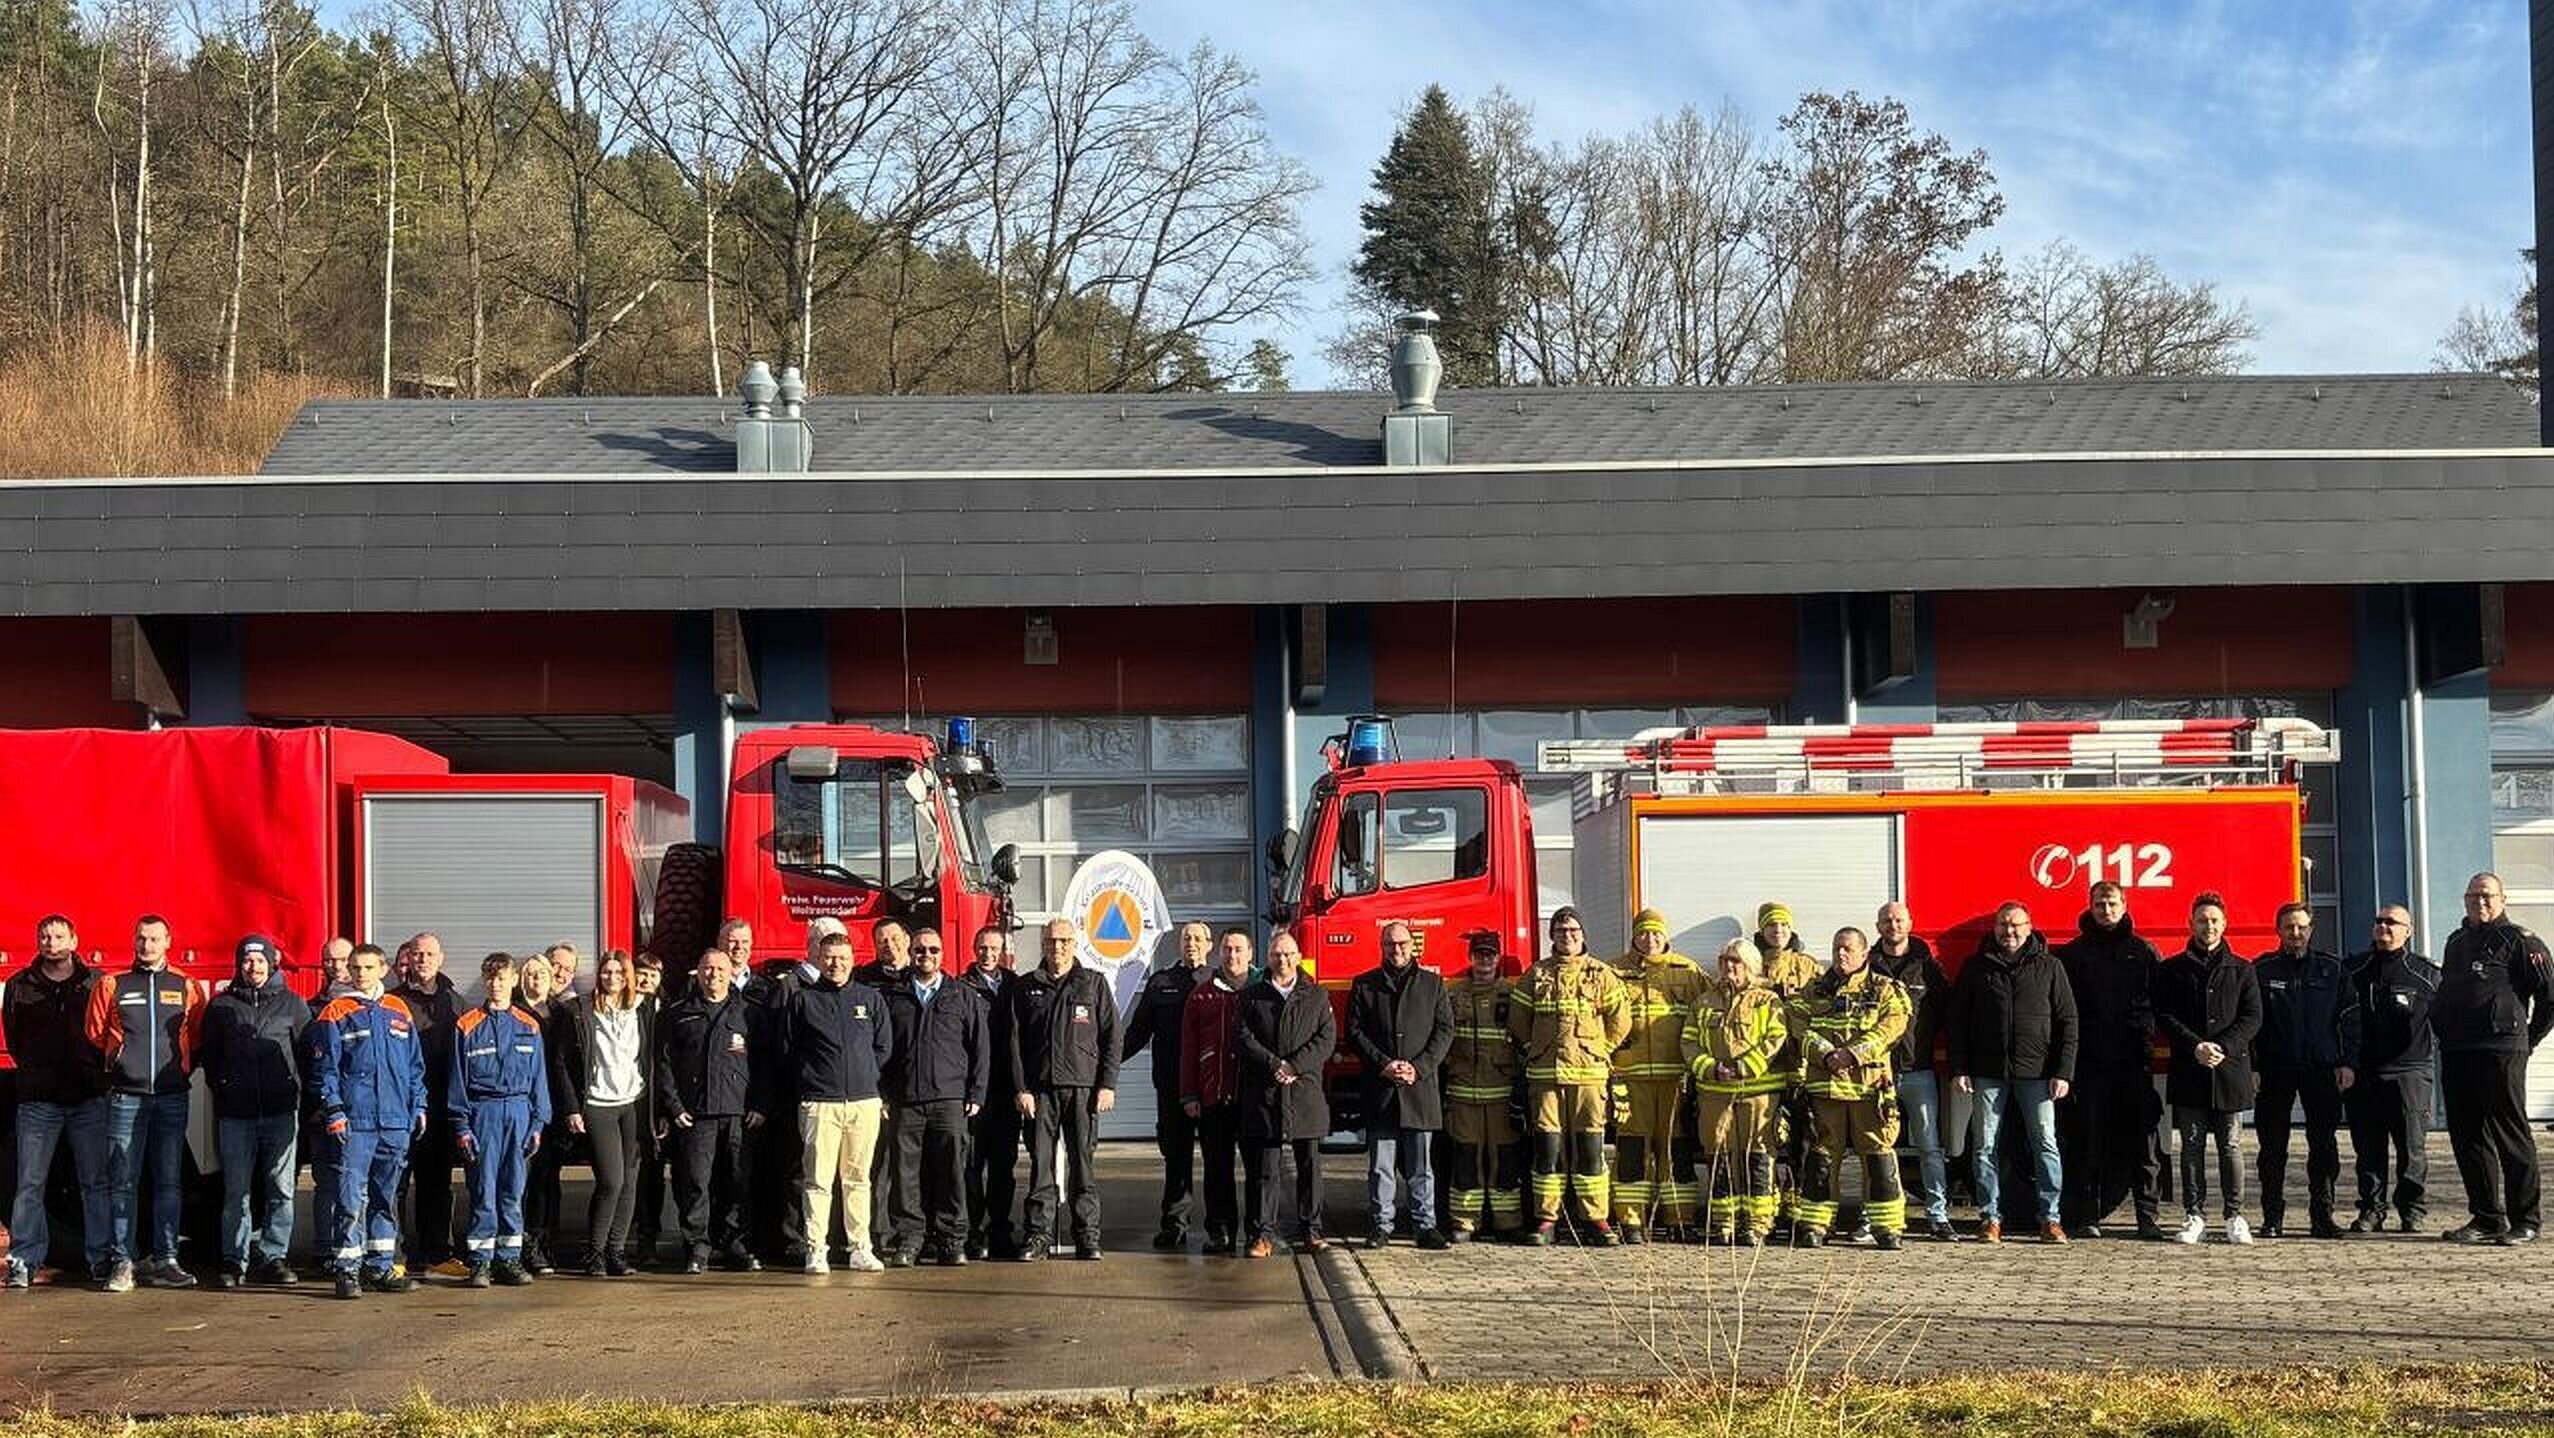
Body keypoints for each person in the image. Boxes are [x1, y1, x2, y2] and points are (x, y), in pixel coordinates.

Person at [84, 913, 206, 1290]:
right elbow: (95, 1033)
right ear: (133, 941)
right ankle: (123, 1262)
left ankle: (166, 1260)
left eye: (154, 939)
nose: (147, 946)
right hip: (125, 1099)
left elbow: (197, 1036)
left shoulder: (186, 987)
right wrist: (121, 1067)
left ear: (168, 942)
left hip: (171, 1098)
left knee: (169, 1181)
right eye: (141, 939)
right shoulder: (112, 984)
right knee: (122, 1182)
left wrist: (181, 1071)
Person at [2432, 872, 2554, 1245]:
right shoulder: (2456, 942)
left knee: (2510, 1136)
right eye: (2473, 896)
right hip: (2458, 1050)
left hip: (2501, 1050)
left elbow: (2549, 998)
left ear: (2502, 899)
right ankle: (2486, 1217)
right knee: (2468, 1137)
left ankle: (2526, 1220)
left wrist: (2526, 1040)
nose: (2479, 902)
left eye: (2486, 896)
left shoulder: (2519, 940)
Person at [1946, 901, 2077, 1245]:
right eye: (2003, 925)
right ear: (1994, 929)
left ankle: (2051, 1219)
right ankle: (1990, 1218)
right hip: (1987, 1073)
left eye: (2016, 925)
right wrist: (1960, 1067)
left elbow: (2068, 1022)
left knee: (2045, 1144)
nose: (2010, 932)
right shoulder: (1976, 967)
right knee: (1984, 1146)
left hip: (2038, 1074)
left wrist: (2062, 1071)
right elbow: (1957, 1021)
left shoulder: (2050, 967)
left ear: (2030, 927)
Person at [307, 942, 428, 1299]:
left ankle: (380, 1266)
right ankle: (347, 1269)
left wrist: (418, 1106)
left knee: (384, 1196)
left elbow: (414, 1067)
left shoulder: (398, 1010)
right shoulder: (336, 1012)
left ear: (384, 969)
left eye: (368, 968)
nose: (361, 974)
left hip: (395, 1121)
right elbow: (324, 1069)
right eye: (356, 968)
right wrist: (335, 1111)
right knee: (349, 1198)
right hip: (356, 1122)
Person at [772, 931, 895, 1274]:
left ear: (853, 959)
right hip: (819, 1103)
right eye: (829, 957)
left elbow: (883, 1047)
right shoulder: (803, 1000)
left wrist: (864, 1075)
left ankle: (860, 1248)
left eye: (842, 957)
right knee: (817, 1180)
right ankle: (816, 1248)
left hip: (863, 1102)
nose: (835, 964)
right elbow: (787, 1050)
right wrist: (812, 1080)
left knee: (858, 1179)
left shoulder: (869, 999)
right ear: (818, 959)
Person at [1507, 906, 1630, 1246]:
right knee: (1548, 1149)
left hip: (1590, 1077)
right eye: (1561, 931)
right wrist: (1536, 1047)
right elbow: (1518, 1020)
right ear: (1553, 936)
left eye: (1574, 930)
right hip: (1546, 1078)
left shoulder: (1601, 974)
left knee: (1591, 1149)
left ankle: (1596, 1219)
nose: (1568, 936)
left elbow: (1621, 1021)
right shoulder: (1536, 975)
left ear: (1583, 934)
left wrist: (1599, 1049)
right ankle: (1547, 1219)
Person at [195, 935, 312, 1288]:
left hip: (280, 1113)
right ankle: (234, 1260)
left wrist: (296, 1097)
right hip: (236, 1116)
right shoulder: (221, 1007)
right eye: (247, 961)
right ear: (239, 964)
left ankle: (274, 1256)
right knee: (236, 1191)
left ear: (272, 963)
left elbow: (306, 1057)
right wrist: (228, 1088)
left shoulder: (294, 1005)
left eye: (260, 961)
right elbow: (210, 1060)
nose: (253, 967)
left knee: (281, 1189)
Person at [2053, 880, 2167, 1241]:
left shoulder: (2143, 951)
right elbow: (2063, 1012)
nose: (2106, 910)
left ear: (2124, 905)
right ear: (2090, 906)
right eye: (2100, 904)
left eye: (2112, 903)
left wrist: (2144, 1033)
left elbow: (2161, 1003)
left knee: (2142, 1144)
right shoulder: (2073, 955)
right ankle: (2087, 1216)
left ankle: (2147, 1217)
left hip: (2134, 1062)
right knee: (2088, 1143)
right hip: (2091, 1065)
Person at [3, 915, 111, 1290]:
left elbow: (104, 1034)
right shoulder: (20, 985)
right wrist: (37, 1071)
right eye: (45, 936)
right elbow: (14, 1040)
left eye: (59, 936)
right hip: (38, 1101)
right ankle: (24, 1260)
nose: (51, 942)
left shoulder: (95, 983)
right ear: (38, 941)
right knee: (30, 1183)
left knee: (95, 1182)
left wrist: (93, 1074)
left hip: (88, 1099)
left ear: (74, 940)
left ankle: (100, 1259)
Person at [1788, 927, 1912, 1250]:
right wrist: (1825, 1053)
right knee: (1822, 1157)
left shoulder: (1884, 990)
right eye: (1836, 948)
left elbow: (1893, 1024)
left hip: (1869, 1091)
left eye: (1847, 949)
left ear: (1863, 954)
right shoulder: (1813, 990)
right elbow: (1797, 1025)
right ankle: (1815, 1225)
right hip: (1826, 1089)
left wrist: (1853, 1054)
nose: (1841, 955)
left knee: (1878, 1157)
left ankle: (1887, 1228)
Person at [1005, 918, 1120, 1261]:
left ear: (1075, 943)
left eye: (1065, 941)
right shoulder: (1026, 987)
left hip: (1083, 1091)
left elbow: (1112, 1037)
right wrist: (1021, 1088)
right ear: (1043, 944)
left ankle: (1087, 1236)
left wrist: (1107, 1084)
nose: (1058, 947)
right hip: (1039, 1093)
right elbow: (1014, 1043)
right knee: (1040, 1167)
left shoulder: (1093, 984)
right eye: (1052, 941)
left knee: (1083, 1166)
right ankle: (1038, 1236)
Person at [2154, 891, 2263, 1247]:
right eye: (2202, 920)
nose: (2208, 926)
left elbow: (2252, 1017)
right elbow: (2165, 1015)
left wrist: (2224, 1047)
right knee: (2191, 1146)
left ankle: (2234, 1216)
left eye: (2214, 920)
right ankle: (2194, 1215)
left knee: (2231, 1146)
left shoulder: (2243, 969)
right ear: (2191, 924)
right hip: (2190, 1069)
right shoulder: (2172, 969)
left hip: (2229, 1071)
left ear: (2225, 923)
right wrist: (2194, 1046)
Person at [880, 924, 989, 1266]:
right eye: (920, 950)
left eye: (933, 950)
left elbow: (980, 1048)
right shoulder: (893, 996)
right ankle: (910, 1239)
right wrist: (882, 1092)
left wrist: (977, 1091)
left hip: (950, 1100)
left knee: (952, 1173)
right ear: (910, 954)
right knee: (905, 1174)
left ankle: (951, 1240)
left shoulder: (962, 995)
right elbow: (881, 1050)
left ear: (943, 955)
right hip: (905, 1100)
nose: (926, 955)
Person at [2253, 903, 2359, 1239]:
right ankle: (2272, 1216)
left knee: (2324, 1145)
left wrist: (2348, 1062)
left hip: (2322, 1069)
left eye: (2301, 927)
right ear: (2278, 930)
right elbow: (2252, 1024)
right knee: (2272, 1148)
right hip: (2274, 1069)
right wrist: (2253, 1066)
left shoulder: (2332, 968)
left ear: (2311, 930)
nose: (2295, 934)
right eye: (2288, 927)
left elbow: (2351, 1019)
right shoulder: (2262, 970)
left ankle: (2322, 1215)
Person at [654, 947, 763, 1274]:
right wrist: (674, 1106)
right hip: (696, 1114)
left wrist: (760, 1104)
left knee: (737, 1183)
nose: (713, 974)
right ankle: (697, 1248)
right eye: (707, 968)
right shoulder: (678, 1013)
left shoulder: (751, 1013)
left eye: (719, 969)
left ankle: (734, 1244)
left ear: (731, 973)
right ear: (697, 973)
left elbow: (766, 1064)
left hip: (739, 1114)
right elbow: (664, 1064)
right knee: (696, 1184)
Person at [1348, 919, 1454, 1250]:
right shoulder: (1364, 985)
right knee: (1381, 1167)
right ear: (1381, 947)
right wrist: (1384, 1065)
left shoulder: (1433, 985)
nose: (1397, 950)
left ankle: (1426, 1226)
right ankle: (1381, 1226)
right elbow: (1354, 1032)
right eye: (1390, 945)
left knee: (1422, 1166)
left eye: (1403, 944)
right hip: (1381, 1091)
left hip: (1419, 1090)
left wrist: (1418, 1068)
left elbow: (1444, 1031)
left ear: (1413, 946)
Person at [1605, 909, 1706, 1244]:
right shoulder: (1614, 972)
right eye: (1643, 934)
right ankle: (1632, 1222)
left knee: (1675, 1148)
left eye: (1656, 934)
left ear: (1666, 936)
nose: (1650, 940)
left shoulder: (1687, 971)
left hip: (1674, 1076)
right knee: (1631, 1149)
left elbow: (1707, 1014)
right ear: (1633, 937)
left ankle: (1680, 1219)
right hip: (1630, 1076)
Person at [449, 953, 549, 1288]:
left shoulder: (529, 1025)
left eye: (503, 978)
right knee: (483, 1190)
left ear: (514, 980)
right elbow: (457, 1082)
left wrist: (538, 1123)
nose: (496, 984)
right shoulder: (466, 1025)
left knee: (512, 1192)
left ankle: (509, 1260)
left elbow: (539, 1080)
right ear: (484, 980)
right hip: (483, 1113)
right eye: (491, 978)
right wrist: (462, 1126)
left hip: (519, 1113)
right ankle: (480, 1263)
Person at [553, 949, 654, 1276]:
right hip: (597, 1106)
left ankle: (616, 1253)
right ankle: (594, 1254)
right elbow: (562, 1063)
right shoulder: (580, 1010)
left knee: (630, 1183)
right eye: (606, 972)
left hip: (632, 1104)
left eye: (618, 973)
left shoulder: (643, 1008)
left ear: (628, 976)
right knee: (611, 1181)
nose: (612, 978)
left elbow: (654, 1057)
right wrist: (571, 1108)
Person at [1683, 939, 1788, 1246]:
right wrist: (1711, 1068)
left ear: (1751, 966)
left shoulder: (1767, 1001)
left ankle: (1757, 1223)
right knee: (1718, 1156)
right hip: (1715, 1093)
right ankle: (1723, 1222)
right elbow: (1689, 1043)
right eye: (1725, 961)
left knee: (1757, 1157)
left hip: (1758, 1094)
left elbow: (1776, 1037)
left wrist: (1745, 1067)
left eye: (1737, 962)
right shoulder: (1703, 1003)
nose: (1730, 967)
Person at [1239, 930, 1335, 1258]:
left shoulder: (1317, 996)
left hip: (1304, 1094)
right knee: (1265, 1170)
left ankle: (1311, 1231)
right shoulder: (1251, 996)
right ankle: (1262, 1235)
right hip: (1265, 1094)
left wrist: (1293, 1066)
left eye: (1289, 954)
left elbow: (1326, 1039)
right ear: (1268, 958)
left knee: (1309, 1166)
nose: (1283, 960)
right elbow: (1244, 1037)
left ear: (1298, 957)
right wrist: (1274, 1065)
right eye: (1277, 954)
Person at [1122, 920, 1214, 1250]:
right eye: (1186, 938)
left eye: (1197, 939)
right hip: (1171, 1088)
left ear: (1209, 945)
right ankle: (1175, 1223)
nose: (1191, 944)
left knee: (1216, 1160)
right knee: (1176, 1159)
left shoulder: (1220, 983)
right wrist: (1104, 1062)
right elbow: (1137, 1032)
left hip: (1212, 1089)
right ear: (1179, 945)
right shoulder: (1160, 984)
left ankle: (1219, 1226)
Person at [2346, 904, 2435, 1233]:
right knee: (2368, 1147)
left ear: (2407, 931)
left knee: (2412, 1148)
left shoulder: (2425, 974)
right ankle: (2371, 1210)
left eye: (2392, 922)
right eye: (2379, 921)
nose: (2383, 926)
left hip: (2410, 1072)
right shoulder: (2354, 969)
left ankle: (2412, 1210)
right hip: (2365, 1072)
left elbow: (2445, 1021)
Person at [1871, 902, 1955, 1242]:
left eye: (1899, 919)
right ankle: (1873, 1216)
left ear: (1910, 923)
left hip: (1918, 1071)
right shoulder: (1868, 968)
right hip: (1877, 1074)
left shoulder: (1928, 970)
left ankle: (1938, 1216)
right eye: (1887, 920)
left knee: (1929, 1147)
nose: (1893, 925)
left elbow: (1949, 1015)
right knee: (1874, 1148)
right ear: (1878, 926)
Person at [1440, 930, 1521, 1244]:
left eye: (1490, 954)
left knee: (1505, 1159)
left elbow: (1523, 1038)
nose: (1484, 960)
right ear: (1470, 958)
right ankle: (1464, 1221)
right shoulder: (1453, 995)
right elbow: (1443, 1039)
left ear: (1498, 957)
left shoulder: (1512, 995)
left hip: (1501, 1092)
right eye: (1479, 955)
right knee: (1465, 1159)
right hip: (1463, 1094)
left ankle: (1508, 1222)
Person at [390, 932, 464, 1278]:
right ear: (408, 958)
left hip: (440, 1108)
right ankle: (395, 1254)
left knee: (437, 1185)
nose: (423, 960)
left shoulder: (456, 1003)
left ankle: (438, 1254)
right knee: (396, 1184)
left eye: (429, 954)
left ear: (440, 958)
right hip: (399, 1108)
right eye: (417, 954)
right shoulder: (392, 1002)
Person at [1180, 928, 1256, 1254]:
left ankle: (1257, 1232)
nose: (1232, 955)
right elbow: (1189, 1048)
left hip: (1253, 1099)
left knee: (1258, 1171)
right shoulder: (1202, 994)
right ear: (1218, 953)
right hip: (1214, 1098)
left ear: (1251, 953)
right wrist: (1189, 1094)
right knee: (1217, 1169)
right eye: (1227, 949)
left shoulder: (1262, 990)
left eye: (1239, 949)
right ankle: (1220, 1232)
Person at [1749, 902, 1821, 1237]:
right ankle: (1770, 1206)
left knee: (1803, 1140)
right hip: (1766, 1069)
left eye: (1782, 926)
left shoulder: (1808, 967)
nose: (1777, 931)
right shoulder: (1751, 964)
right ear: (1761, 931)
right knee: (1768, 1139)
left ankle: (1796, 1207)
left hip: (1802, 1067)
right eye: (1771, 926)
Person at [959, 925, 1021, 1260]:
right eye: (982, 947)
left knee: (1003, 1167)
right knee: (971, 1166)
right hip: (973, 1094)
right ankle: (972, 1232)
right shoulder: (959, 987)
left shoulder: (1015, 986)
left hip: (1007, 1091)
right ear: (974, 948)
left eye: (994, 948)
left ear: (1002, 950)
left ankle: (1000, 1230)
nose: (988, 953)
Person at [857, 918, 915, 1252]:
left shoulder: (923, 976)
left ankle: (912, 1233)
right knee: (874, 1167)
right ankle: (877, 1235)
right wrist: (876, 1091)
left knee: (909, 1168)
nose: (889, 945)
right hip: (876, 1087)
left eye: (894, 938)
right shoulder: (864, 981)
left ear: (906, 940)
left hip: (914, 1088)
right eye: (881, 940)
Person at [514, 951, 571, 1274]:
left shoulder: (563, 1014)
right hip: (524, 1107)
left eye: (542, 975)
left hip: (555, 1107)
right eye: (530, 975)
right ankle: (524, 1244)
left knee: (549, 1178)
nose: (536, 980)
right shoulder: (513, 1013)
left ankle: (546, 1239)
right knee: (524, 1176)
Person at [304, 940, 357, 1271]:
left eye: (342, 959)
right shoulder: (310, 1009)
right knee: (326, 1182)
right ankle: (325, 1250)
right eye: (328, 960)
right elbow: (304, 1062)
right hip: (322, 1111)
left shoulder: (368, 1009)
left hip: (362, 1112)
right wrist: (315, 1103)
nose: (335, 965)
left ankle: (352, 1248)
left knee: (356, 1184)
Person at [629, 952, 670, 1265]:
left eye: (653, 975)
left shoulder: (669, 1012)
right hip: (627, 1103)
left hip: (657, 1106)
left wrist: (666, 1110)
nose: (646, 980)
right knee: (626, 1174)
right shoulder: (619, 1008)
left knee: (652, 1175)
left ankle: (648, 1241)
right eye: (641, 973)